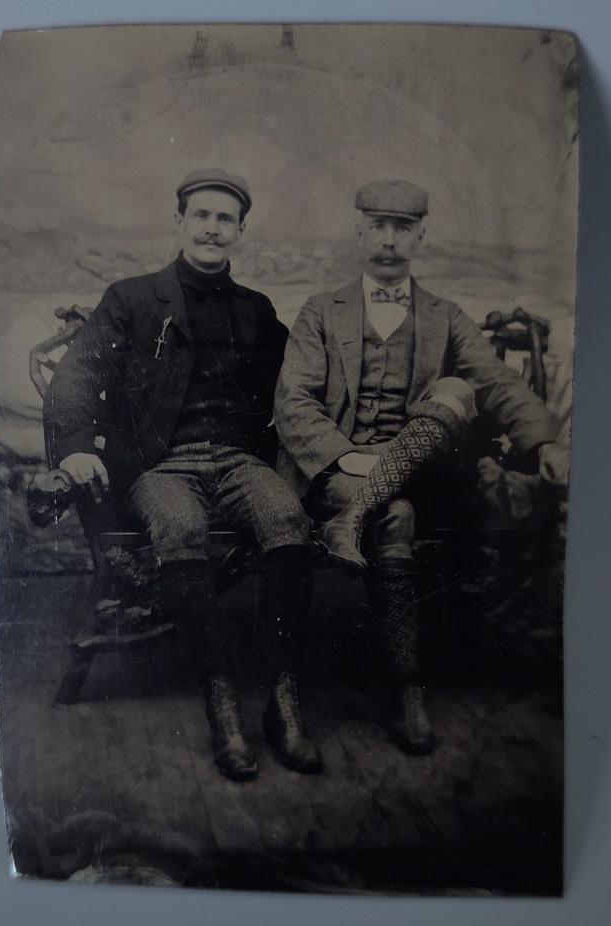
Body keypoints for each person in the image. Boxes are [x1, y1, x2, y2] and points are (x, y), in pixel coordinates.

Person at [44, 168, 321, 781]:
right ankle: (222, 707)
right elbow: (77, 376)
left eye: (226, 219)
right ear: (180, 221)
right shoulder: (132, 298)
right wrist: (72, 446)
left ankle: (282, 701)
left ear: (241, 231)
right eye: (202, 215)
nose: (212, 228)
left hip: (239, 460)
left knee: (288, 521)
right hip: (160, 465)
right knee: (179, 527)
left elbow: (301, 382)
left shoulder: (256, 310)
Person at [274, 179, 567, 755]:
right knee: (396, 512)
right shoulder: (320, 312)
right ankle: (406, 685)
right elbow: (295, 402)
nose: (389, 240)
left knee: (458, 389)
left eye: (402, 228)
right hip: (341, 468)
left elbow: (501, 386)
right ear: (359, 231)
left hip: (426, 468)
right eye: (378, 226)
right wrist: (353, 458)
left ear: (420, 235)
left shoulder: (444, 316)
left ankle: (354, 520)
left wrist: (545, 445)